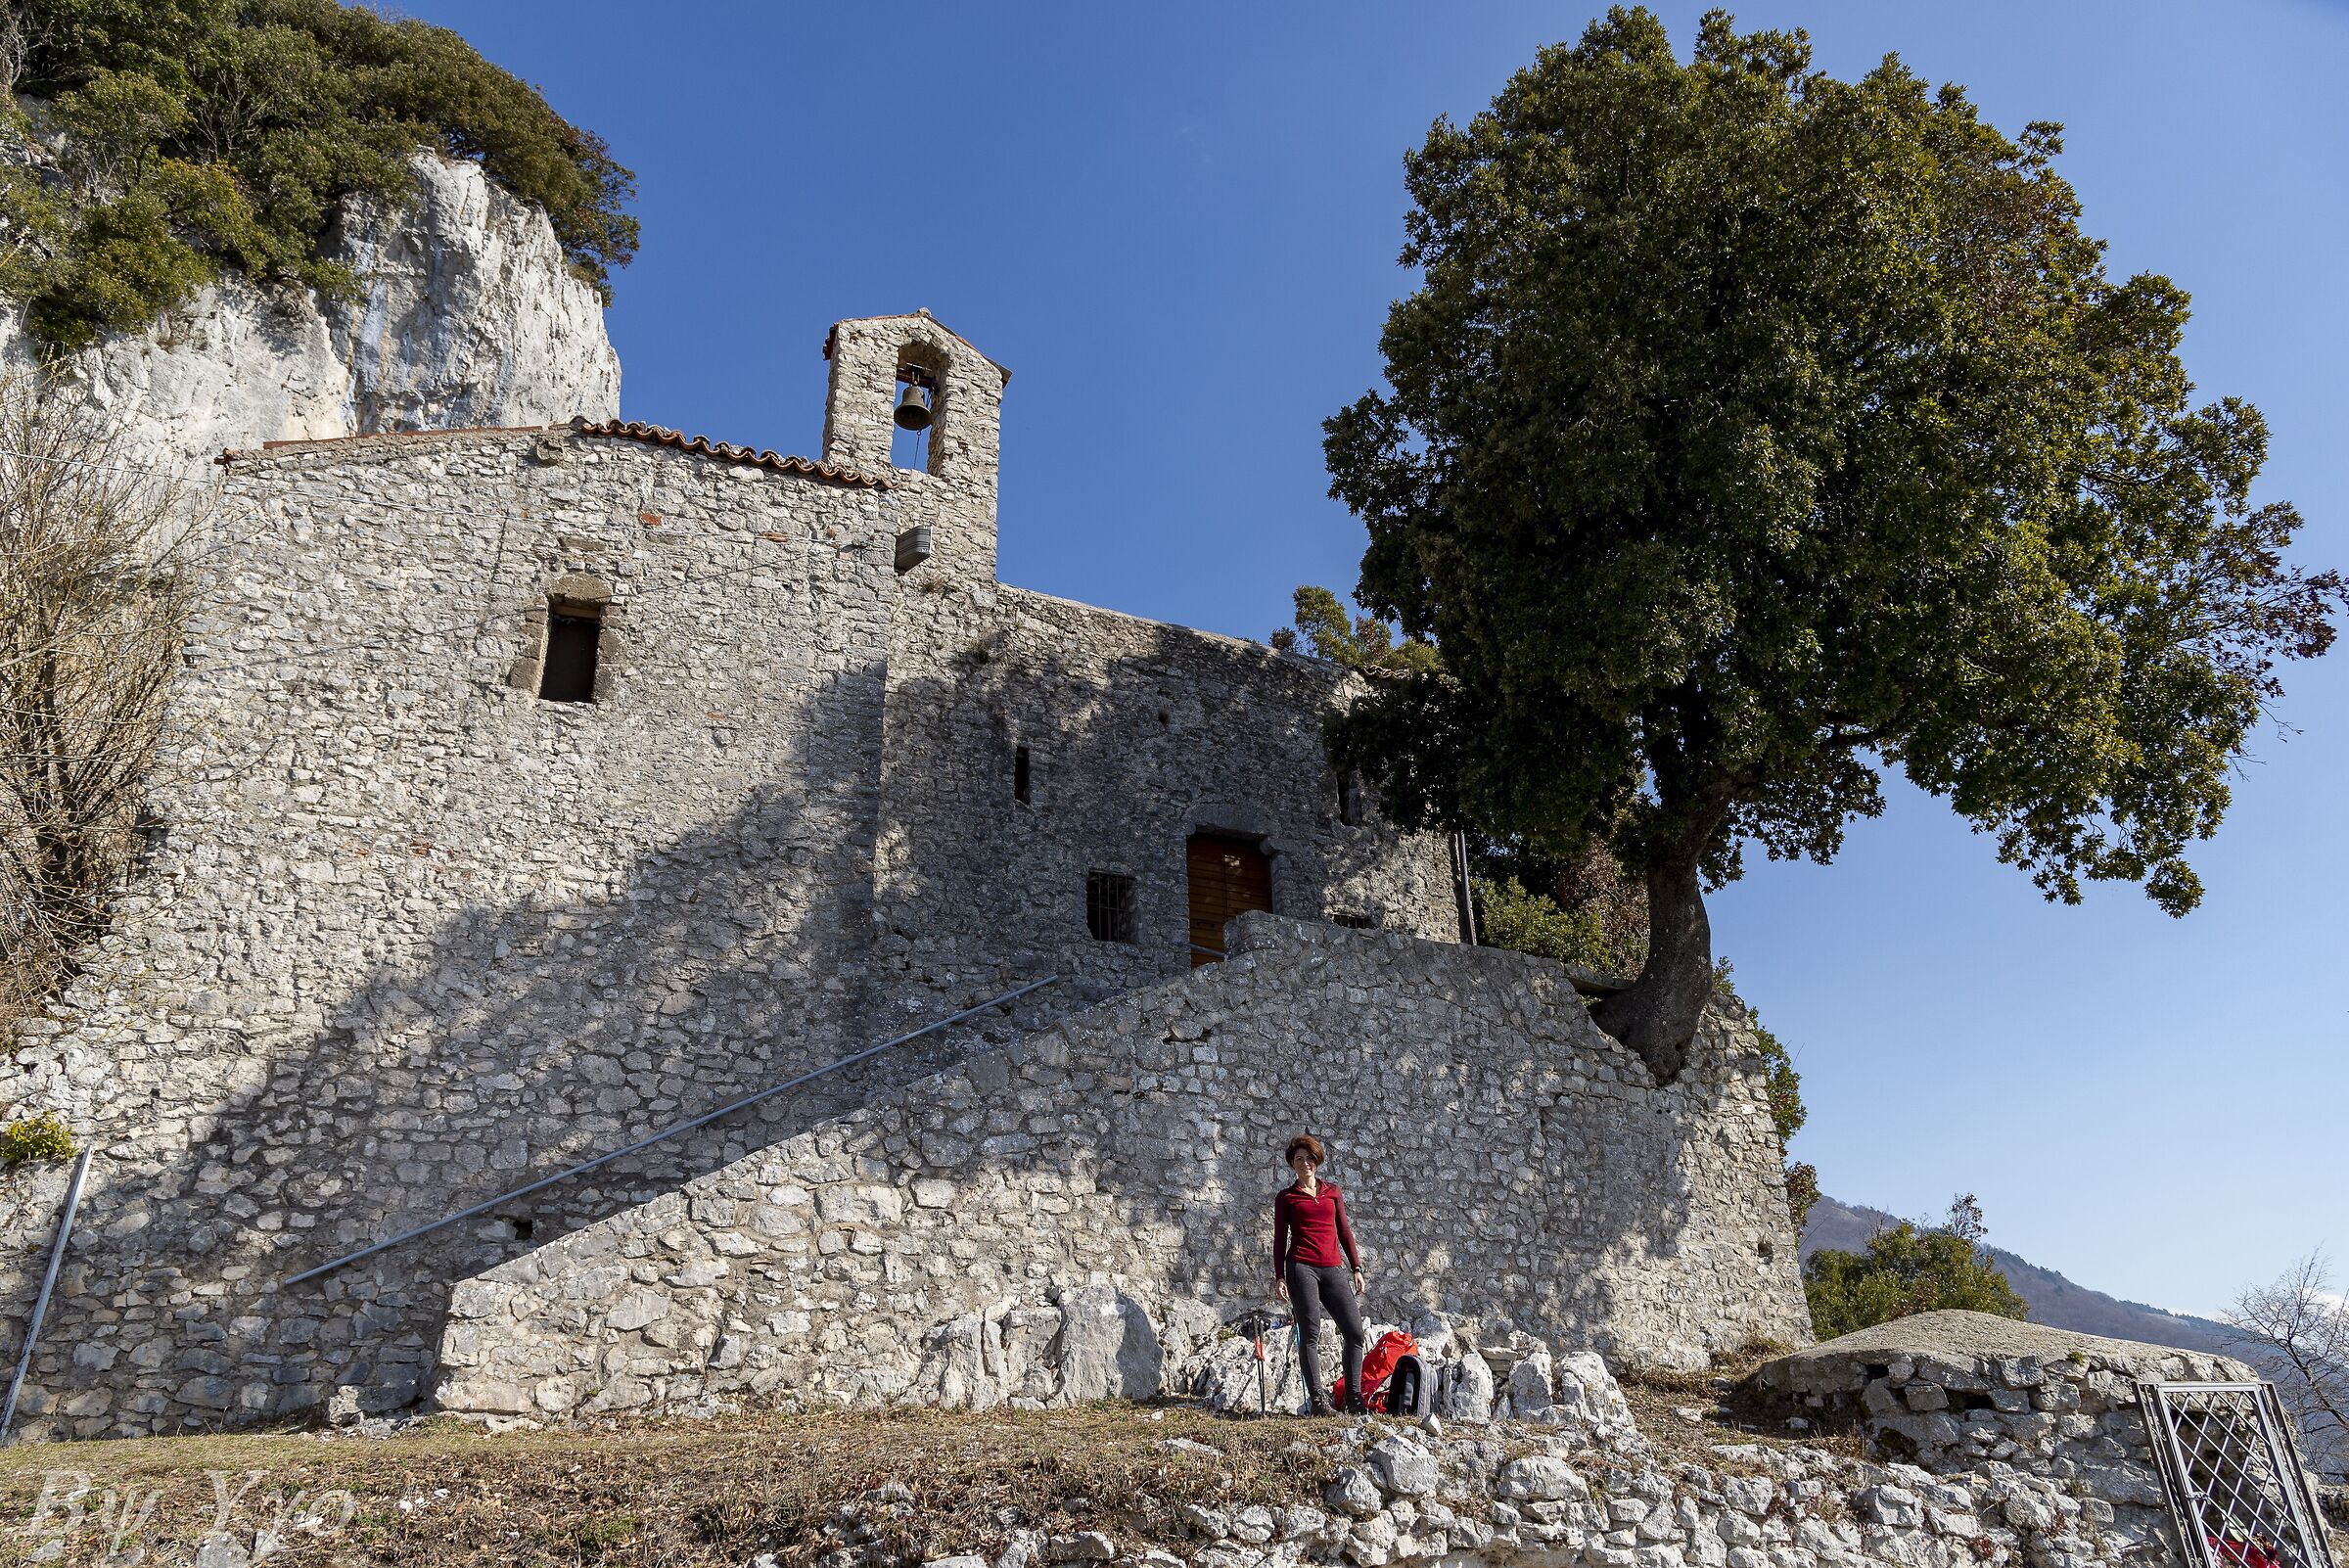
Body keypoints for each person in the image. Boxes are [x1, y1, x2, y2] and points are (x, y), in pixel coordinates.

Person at [1271, 1132, 1367, 1415]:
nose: (1305, 1163)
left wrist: (1356, 1268)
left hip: (1333, 1268)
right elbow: (1279, 1240)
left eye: (1309, 1158)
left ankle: (1354, 1399)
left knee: (1355, 1332)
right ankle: (1318, 1403)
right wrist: (1279, 1276)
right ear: (1292, 1164)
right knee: (1310, 1333)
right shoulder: (1286, 1198)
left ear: (1317, 1161)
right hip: (1301, 1268)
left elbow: (1345, 1232)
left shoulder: (1332, 1192)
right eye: (1299, 1159)